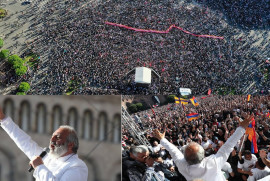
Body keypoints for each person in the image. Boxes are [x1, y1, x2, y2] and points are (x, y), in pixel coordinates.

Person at [152, 113, 254, 181]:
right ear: (203, 154)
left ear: (186, 158)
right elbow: (228, 146)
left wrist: (162, 140)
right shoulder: (213, 162)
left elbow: (174, 152)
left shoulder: (183, 167)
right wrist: (241, 128)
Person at [0, 107, 88, 181]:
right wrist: (3, 119)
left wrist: (39, 166)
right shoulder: (48, 157)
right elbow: (24, 142)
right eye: (52, 136)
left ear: (70, 145)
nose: (52, 140)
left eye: (57, 137)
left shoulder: (77, 166)